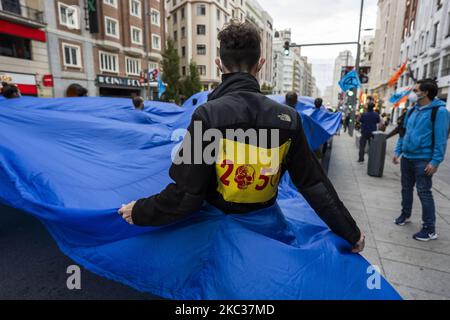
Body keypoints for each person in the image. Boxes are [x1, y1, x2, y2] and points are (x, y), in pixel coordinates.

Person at [118, 20, 365, 253]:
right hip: (268, 229)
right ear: (261, 63)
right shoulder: (289, 119)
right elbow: (313, 184)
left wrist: (139, 211)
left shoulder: (208, 115)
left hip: (217, 232)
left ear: (218, 64)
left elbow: (186, 195)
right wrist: (350, 231)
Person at [393, 79, 450, 241]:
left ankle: (429, 229)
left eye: (416, 90)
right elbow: (404, 133)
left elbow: (441, 139)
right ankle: (405, 214)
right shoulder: (412, 111)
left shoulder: (440, 112)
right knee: (406, 189)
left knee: (424, 192)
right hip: (407, 158)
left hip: (423, 160)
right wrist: (398, 151)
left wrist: (435, 161)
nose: (413, 92)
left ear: (425, 93)